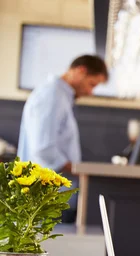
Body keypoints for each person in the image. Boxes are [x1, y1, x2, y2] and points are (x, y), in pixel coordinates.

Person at [17, 55, 108, 223]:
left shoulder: (60, 96)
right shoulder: (52, 95)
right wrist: (79, 171)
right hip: (44, 198)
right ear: (81, 71)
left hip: (49, 197)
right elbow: (44, 148)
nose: (90, 92)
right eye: (92, 84)